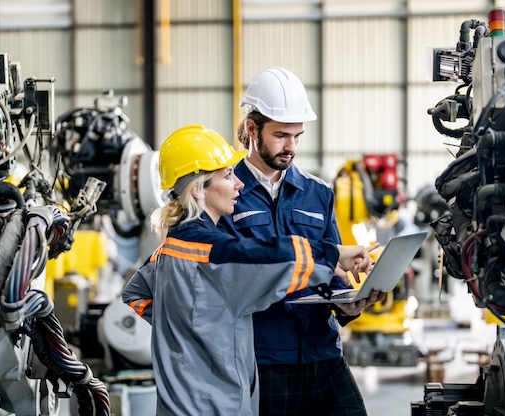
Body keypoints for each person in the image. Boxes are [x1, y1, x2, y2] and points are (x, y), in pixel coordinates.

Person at [121, 124, 377, 416]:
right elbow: (260, 257)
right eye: (228, 176)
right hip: (214, 403)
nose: (238, 184)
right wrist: (332, 254)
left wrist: (194, 330)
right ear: (197, 189)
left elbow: (136, 293)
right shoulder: (209, 250)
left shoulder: (172, 247)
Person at [217, 67, 386, 416]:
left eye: (297, 135)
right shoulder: (227, 194)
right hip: (266, 362)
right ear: (252, 129)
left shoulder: (318, 193)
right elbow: (232, 279)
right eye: (281, 135)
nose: (291, 147)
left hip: (324, 354)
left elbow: (334, 270)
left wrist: (348, 306)